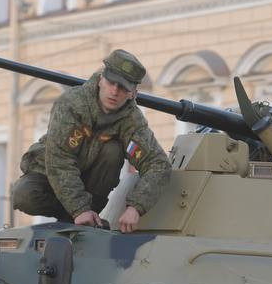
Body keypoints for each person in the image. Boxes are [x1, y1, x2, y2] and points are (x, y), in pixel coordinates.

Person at [11, 49, 170, 233]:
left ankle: (85, 217)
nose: (114, 91)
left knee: (112, 150)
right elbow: (59, 160)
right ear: (101, 78)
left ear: (133, 93)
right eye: (111, 82)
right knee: (23, 195)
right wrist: (79, 209)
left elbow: (158, 164)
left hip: (93, 187)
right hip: (50, 173)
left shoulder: (132, 120)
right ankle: (75, 217)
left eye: (123, 88)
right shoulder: (73, 103)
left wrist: (136, 207)